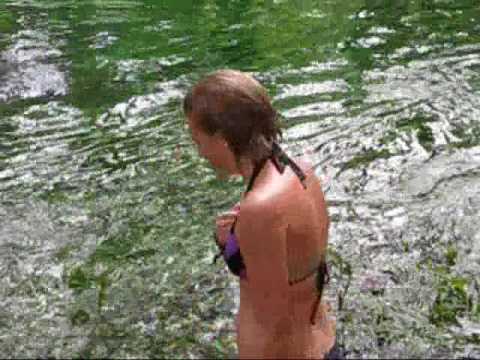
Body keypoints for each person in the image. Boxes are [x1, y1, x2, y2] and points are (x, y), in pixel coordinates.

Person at [183, 69, 342, 359]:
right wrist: (233, 240)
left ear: (222, 139)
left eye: (198, 141)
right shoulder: (301, 172)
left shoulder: (260, 209)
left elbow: (276, 321)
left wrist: (238, 243)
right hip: (324, 342)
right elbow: (303, 267)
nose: (201, 153)